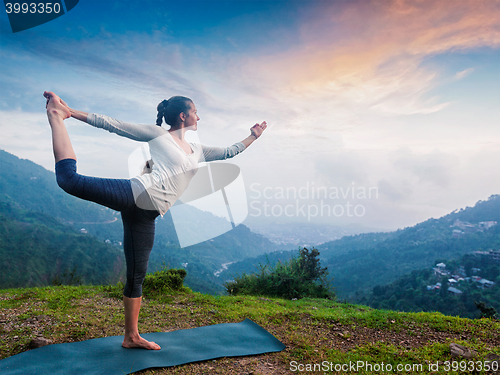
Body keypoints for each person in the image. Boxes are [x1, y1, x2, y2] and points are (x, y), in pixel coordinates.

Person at [44, 91, 266, 350]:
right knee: (69, 180)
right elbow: (112, 124)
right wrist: (70, 112)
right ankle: (56, 117)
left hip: (147, 214)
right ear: (183, 116)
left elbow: (230, 151)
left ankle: (131, 337)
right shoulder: (159, 135)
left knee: (137, 276)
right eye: (195, 111)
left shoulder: (198, 150)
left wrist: (254, 136)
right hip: (135, 193)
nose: (199, 116)